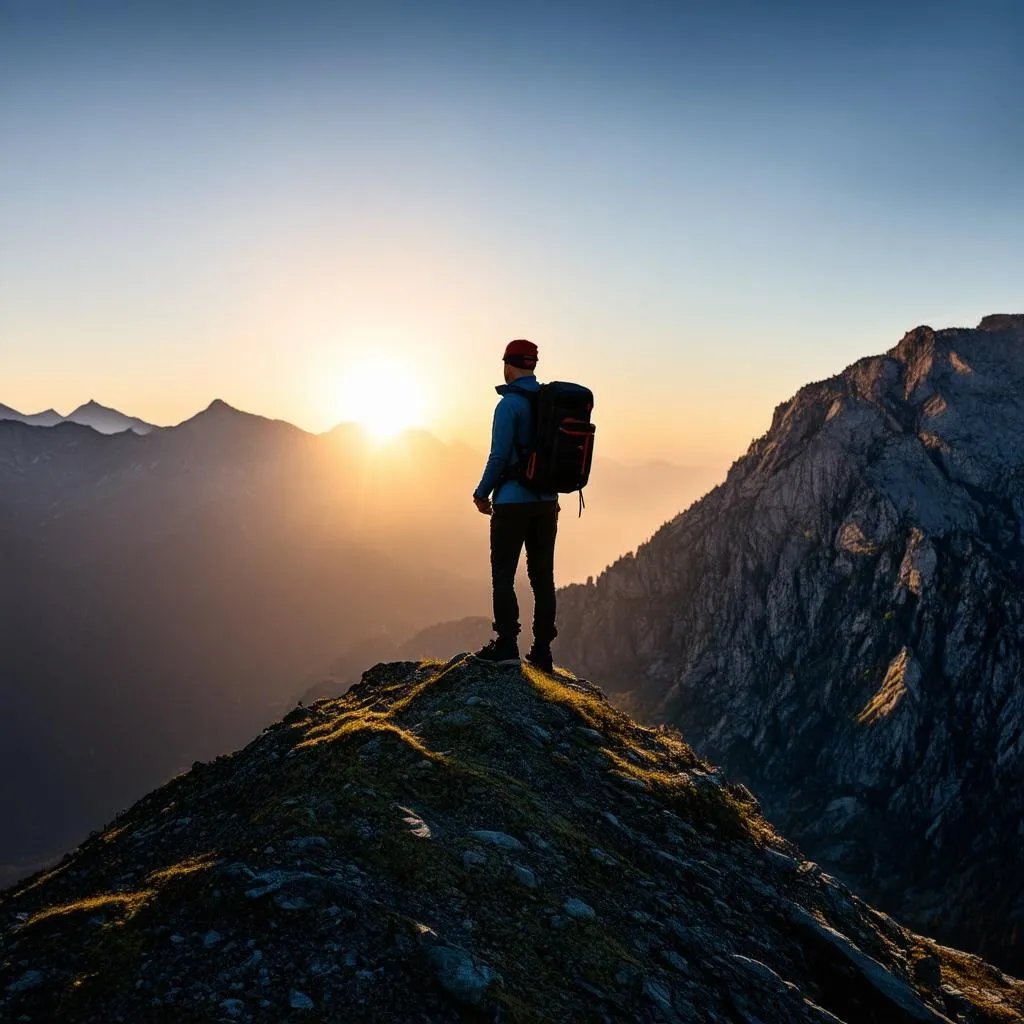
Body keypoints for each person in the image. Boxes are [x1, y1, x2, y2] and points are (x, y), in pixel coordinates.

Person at [472, 339, 559, 671]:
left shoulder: (508, 405)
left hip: (512, 503)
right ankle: (542, 653)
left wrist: (482, 493)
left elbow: (498, 456)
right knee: (542, 577)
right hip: (547, 502)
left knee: (504, 575)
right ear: (533, 364)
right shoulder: (550, 401)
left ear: (508, 365)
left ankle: (507, 645)